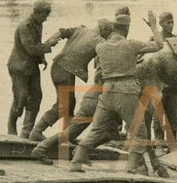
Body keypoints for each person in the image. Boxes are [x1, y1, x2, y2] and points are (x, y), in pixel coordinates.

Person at [68, 12, 164, 174]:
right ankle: (132, 167)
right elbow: (160, 45)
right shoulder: (131, 45)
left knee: (97, 130)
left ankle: (76, 162)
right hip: (126, 92)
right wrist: (154, 26)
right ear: (126, 29)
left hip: (106, 93)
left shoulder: (101, 47)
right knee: (139, 131)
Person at [31, 19, 116, 164]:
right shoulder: (100, 41)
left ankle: (66, 134)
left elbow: (62, 31)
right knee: (64, 104)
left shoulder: (80, 29)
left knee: (69, 103)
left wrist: (50, 40)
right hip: (65, 72)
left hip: (57, 67)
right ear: (105, 31)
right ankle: (37, 132)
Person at [6, 1, 59, 138]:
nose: (46, 19)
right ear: (36, 13)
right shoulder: (25, 26)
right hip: (19, 67)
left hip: (31, 67)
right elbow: (30, 49)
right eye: (44, 16)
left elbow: (36, 45)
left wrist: (42, 58)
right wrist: (48, 45)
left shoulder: (37, 24)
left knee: (36, 97)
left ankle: (26, 131)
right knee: (21, 97)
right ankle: (11, 127)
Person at [150, 11, 177, 150]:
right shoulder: (154, 39)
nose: (171, 25)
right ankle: (158, 144)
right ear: (161, 24)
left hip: (173, 85)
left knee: (174, 116)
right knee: (158, 115)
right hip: (159, 85)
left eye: (172, 22)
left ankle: (172, 143)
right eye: (168, 22)